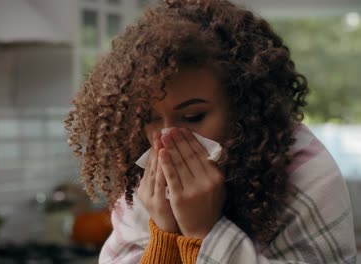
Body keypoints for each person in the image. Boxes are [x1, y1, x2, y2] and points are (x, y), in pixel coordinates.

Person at [64, 0, 357, 263]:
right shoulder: (142, 189)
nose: (166, 139)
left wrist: (204, 233)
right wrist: (164, 234)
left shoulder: (307, 174)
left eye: (193, 116)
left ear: (244, 108)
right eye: (149, 118)